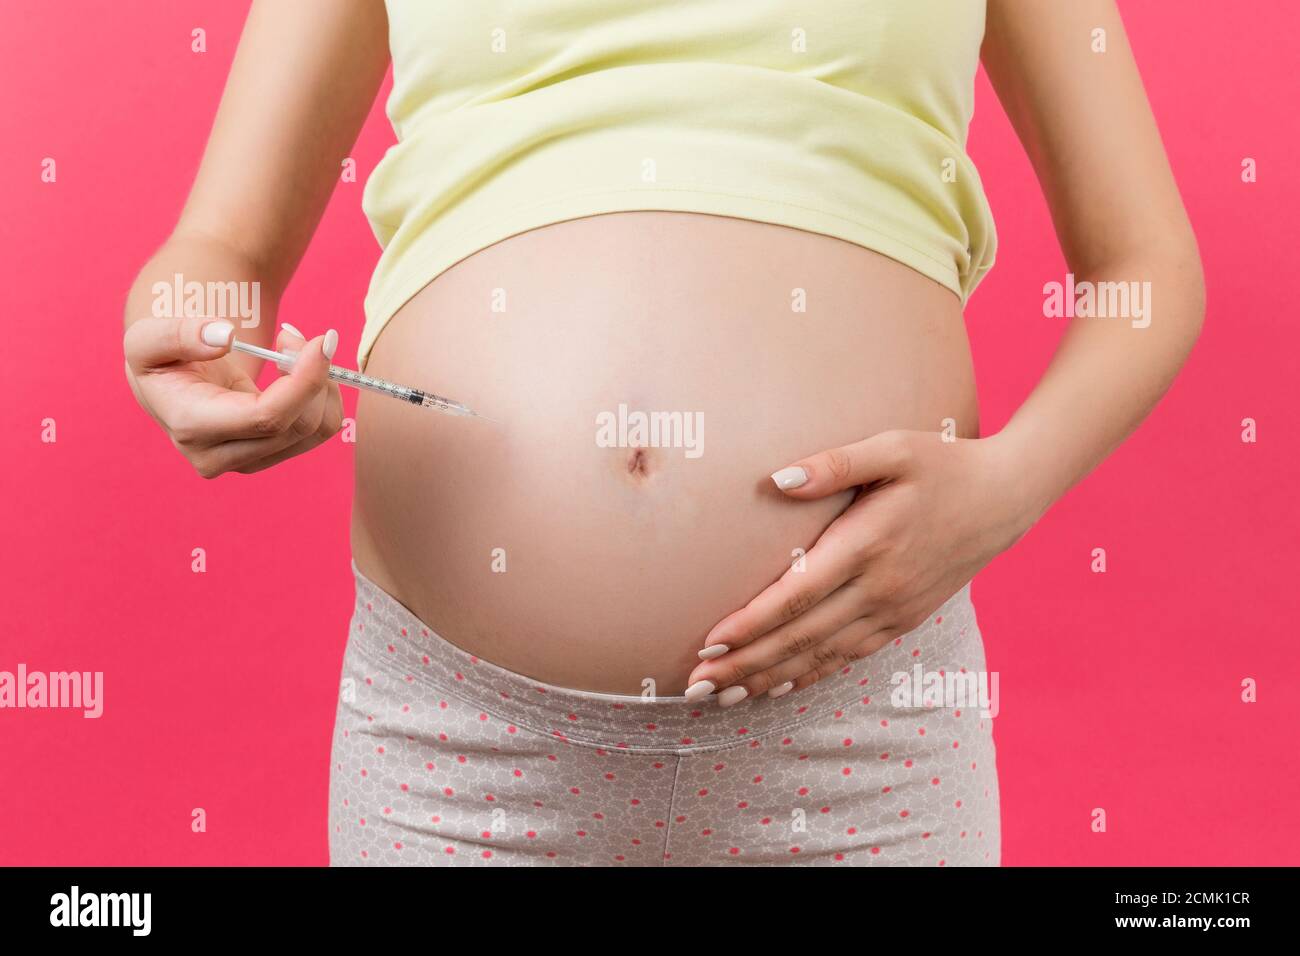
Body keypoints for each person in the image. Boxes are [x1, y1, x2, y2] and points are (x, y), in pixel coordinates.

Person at [123, 0, 1204, 866]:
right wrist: (192, 332)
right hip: (458, 751)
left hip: (856, 744)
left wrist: (1006, 486)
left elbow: (1145, 266)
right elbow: (218, 248)